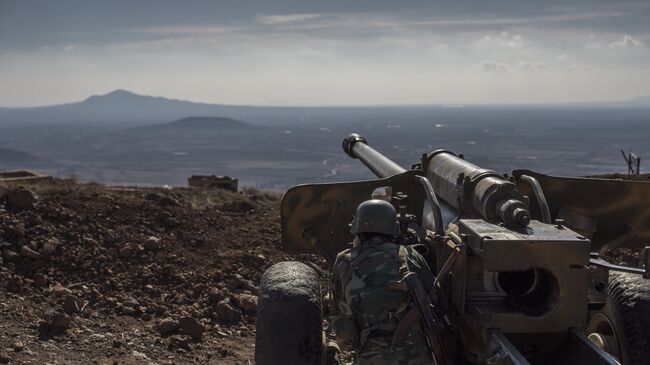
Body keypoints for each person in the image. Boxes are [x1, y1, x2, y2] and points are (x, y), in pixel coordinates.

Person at [331, 199, 437, 365]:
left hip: (369, 357)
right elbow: (437, 300)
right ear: (392, 228)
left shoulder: (343, 261)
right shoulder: (409, 256)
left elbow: (337, 304)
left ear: (358, 231)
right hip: (415, 356)